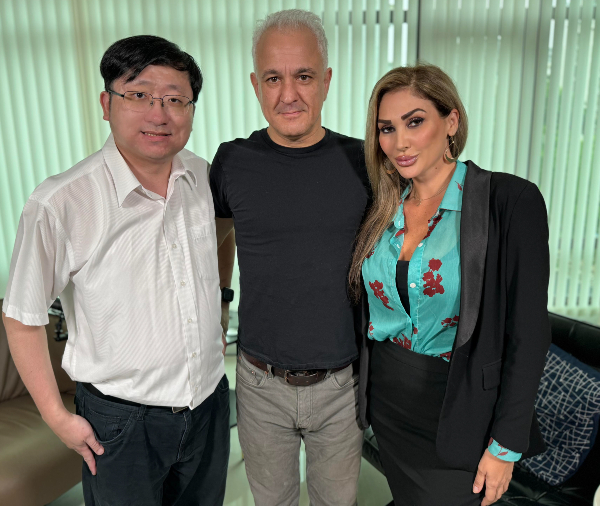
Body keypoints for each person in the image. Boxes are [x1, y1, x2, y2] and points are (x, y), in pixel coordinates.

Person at [2, 35, 232, 506]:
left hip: (208, 401)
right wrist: (55, 416)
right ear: (107, 104)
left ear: (191, 109)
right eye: (139, 95)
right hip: (122, 422)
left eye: (175, 100)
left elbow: (222, 237)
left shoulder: (201, 176)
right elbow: (22, 316)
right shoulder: (61, 201)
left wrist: (223, 300)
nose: (159, 114)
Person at [349, 64, 551, 506]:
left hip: (461, 409)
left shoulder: (510, 202)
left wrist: (505, 444)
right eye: (386, 128)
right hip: (388, 402)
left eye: (415, 122)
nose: (399, 142)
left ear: (452, 122)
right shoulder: (381, 207)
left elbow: (529, 333)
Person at [210, 9, 370, 506]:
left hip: (342, 384)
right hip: (260, 382)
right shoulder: (232, 161)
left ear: (326, 81)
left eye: (303, 76)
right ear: (255, 85)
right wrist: (223, 300)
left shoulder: (365, 162)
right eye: (273, 78)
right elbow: (219, 234)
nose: (288, 95)